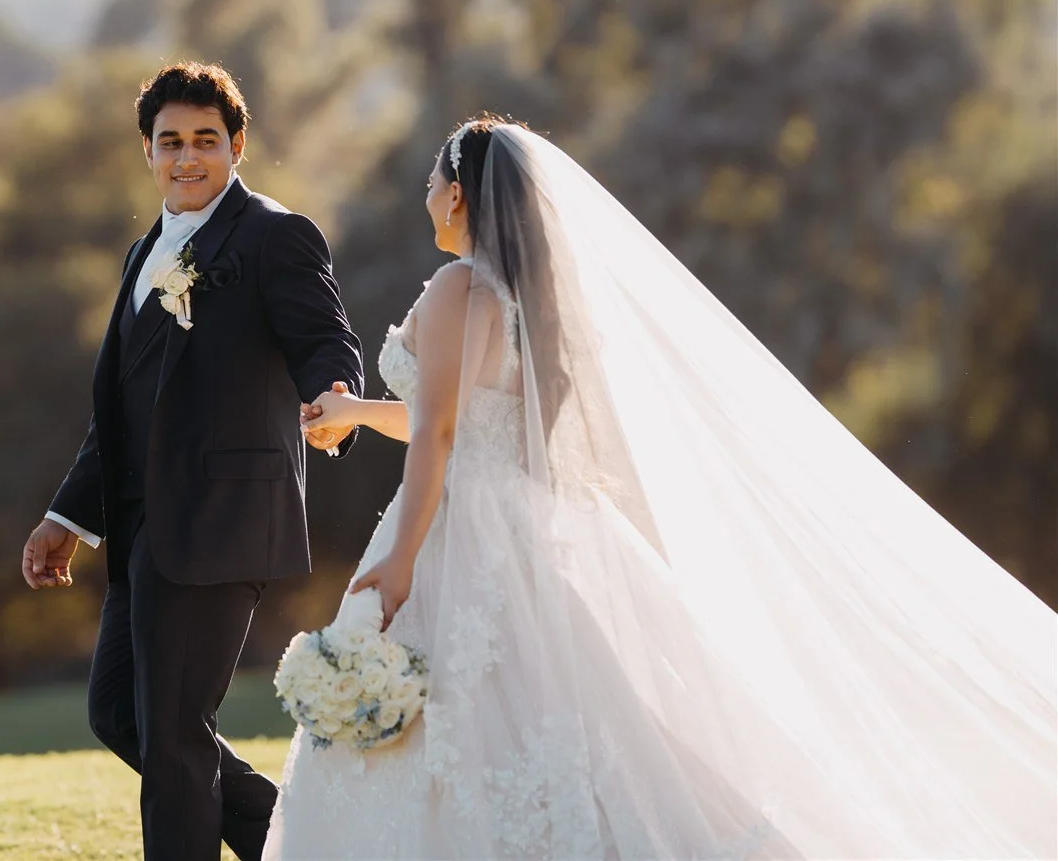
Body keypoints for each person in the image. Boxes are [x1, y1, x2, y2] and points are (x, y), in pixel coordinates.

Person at [267, 116, 1058, 859]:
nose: (427, 196)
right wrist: (357, 412)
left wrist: (404, 555)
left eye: (434, 181)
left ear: (459, 192)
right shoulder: (525, 305)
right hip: (518, 525)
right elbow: (461, 417)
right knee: (567, 715)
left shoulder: (455, 289)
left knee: (466, 717)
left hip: (449, 524)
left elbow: (442, 432)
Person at [20, 61, 363, 861]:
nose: (187, 158)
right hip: (143, 531)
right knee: (121, 715)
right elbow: (124, 410)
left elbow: (325, 339)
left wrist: (335, 400)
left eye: (205, 140)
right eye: (170, 141)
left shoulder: (276, 235)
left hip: (221, 520)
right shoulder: (145, 252)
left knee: (173, 735)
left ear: (237, 145)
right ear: (146, 149)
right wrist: (67, 515)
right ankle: (306, 840)